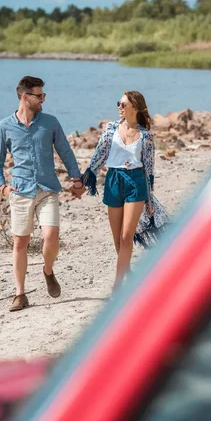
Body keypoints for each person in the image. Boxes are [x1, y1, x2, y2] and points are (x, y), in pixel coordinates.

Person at [0, 75, 85, 312]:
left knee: (51, 235)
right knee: (20, 242)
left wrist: (76, 178)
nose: (43, 99)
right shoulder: (4, 126)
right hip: (20, 190)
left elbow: (66, 151)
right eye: (39, 95)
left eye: (43, 95)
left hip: (47, 188)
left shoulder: (50, 123)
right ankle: (20, 294)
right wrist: (2, 185)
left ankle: (48, 270)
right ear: (25, 97)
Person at [82, 90, 168, 289]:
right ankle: (128, 273)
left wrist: (150, 199)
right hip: (113, 180)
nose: (119, 108)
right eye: (118, 104)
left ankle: (117, 287)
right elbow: (100, 155)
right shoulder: (111, 128)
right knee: (118, 242)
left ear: (135, 108)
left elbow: (149, 169)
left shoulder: (145, 136)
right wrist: (86, 178)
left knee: (126, 236)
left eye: (123, 105)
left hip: (135, 181)